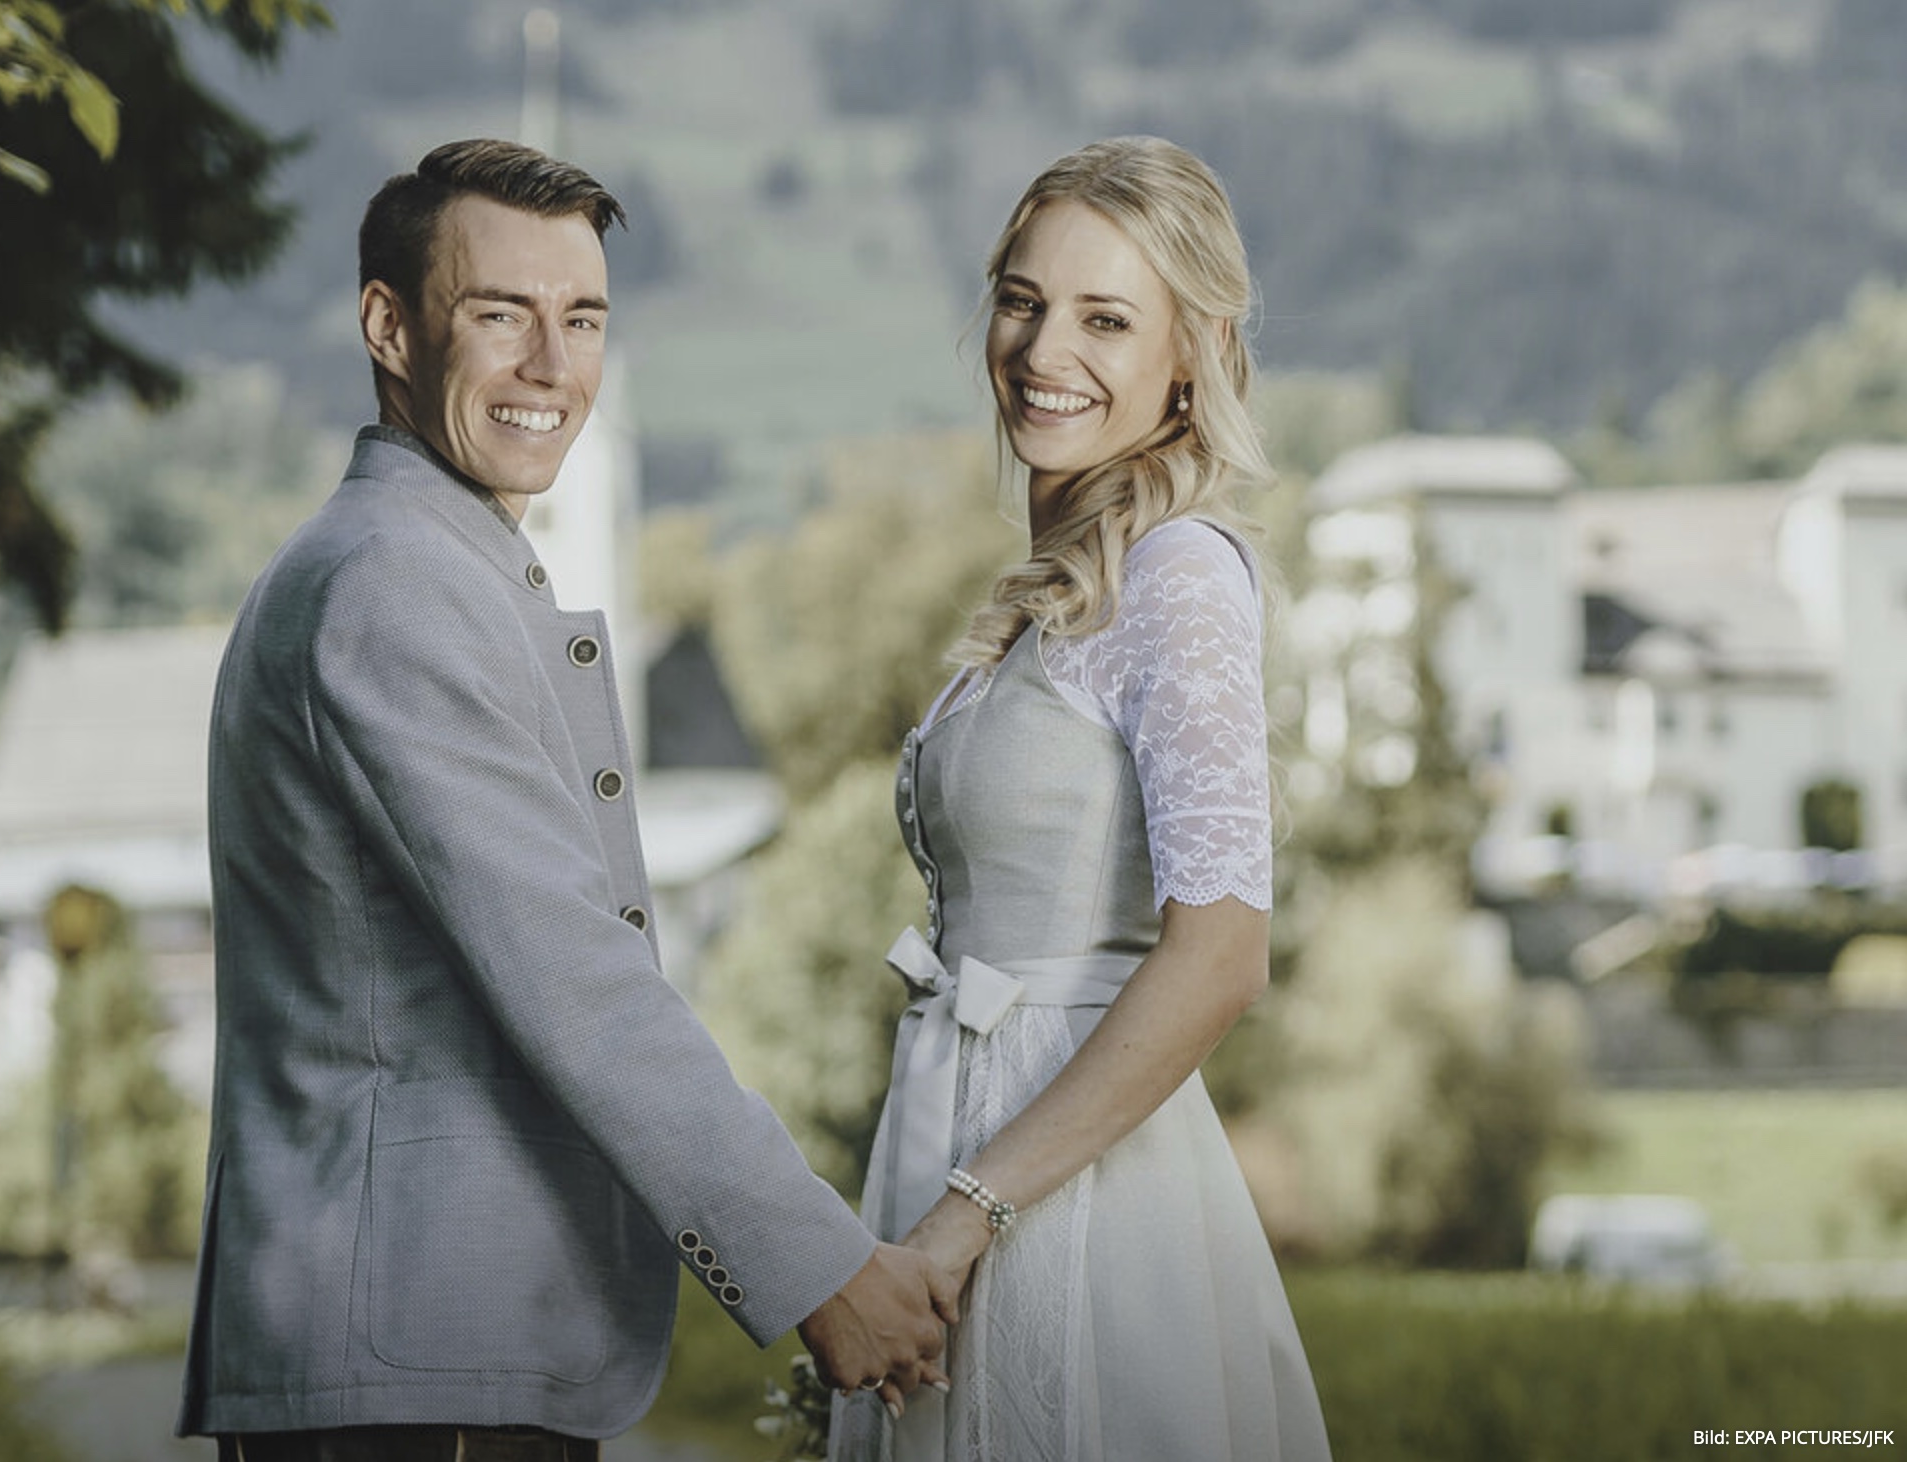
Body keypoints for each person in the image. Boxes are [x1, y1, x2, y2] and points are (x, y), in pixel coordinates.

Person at [177, 139, 956, 1462]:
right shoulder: (393, 585)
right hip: (416, 1362)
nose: (551, 364)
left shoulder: (432, 561)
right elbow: (570, 971)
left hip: (437, 1355)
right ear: (389, 324)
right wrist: (819, 1268)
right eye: (500, 315)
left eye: (581, 318)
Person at [831, 137, 1331, 1462]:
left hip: (1073, 1193)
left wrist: (965, 1213)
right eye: (1022, 297)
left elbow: (1221, 953)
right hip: (957, 1134)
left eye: (1105, 317)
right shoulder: (1060, 591)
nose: (1044, 346)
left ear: (1194, 349)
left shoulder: (1177, 573)